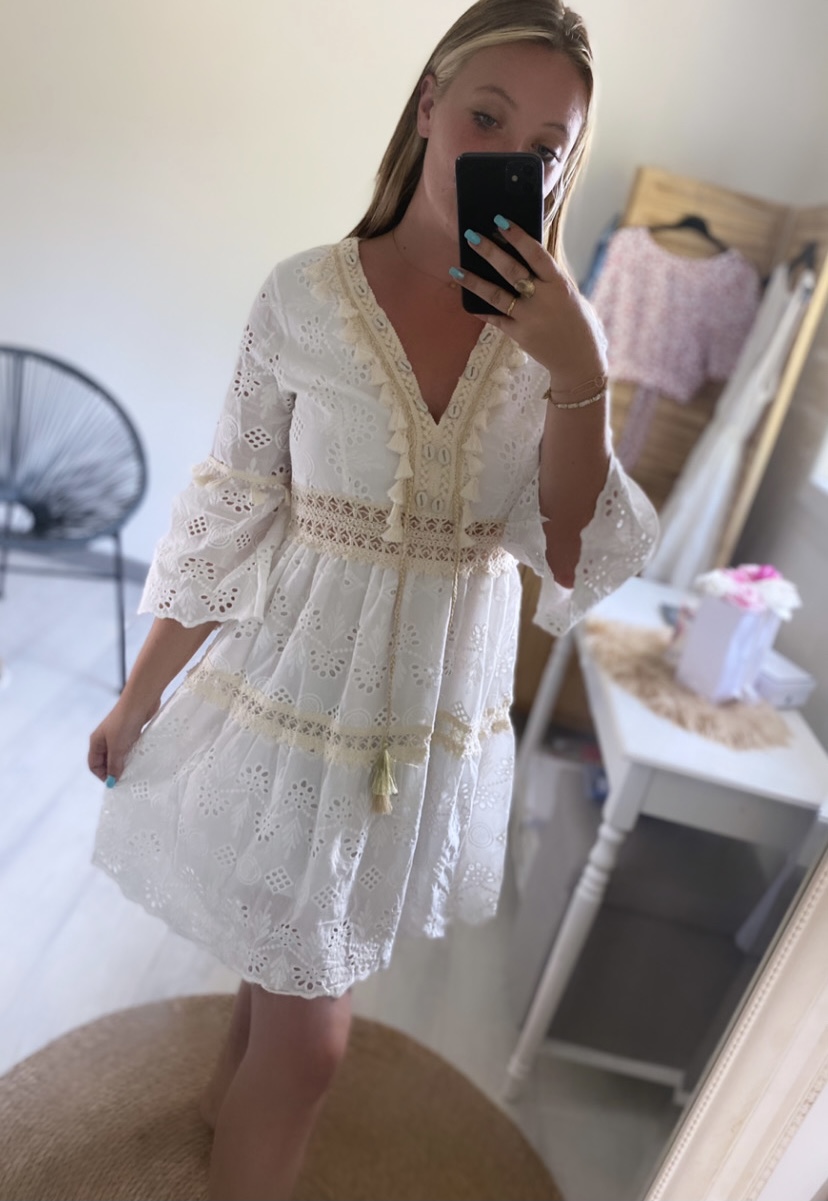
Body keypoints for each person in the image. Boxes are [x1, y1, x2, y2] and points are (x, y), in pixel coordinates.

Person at [87, 1, 658, 1196]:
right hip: (288, 696)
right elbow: (234, 509)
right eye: (486, 115)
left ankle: (221, 1115)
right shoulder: (301, 297)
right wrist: (140, 694)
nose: (511, 152)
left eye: (546, 145)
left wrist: (583, 373)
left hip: (420, 726)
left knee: (289, 963)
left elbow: (567, 546)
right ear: (429, 106)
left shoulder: (561, 339)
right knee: (312, 1043)